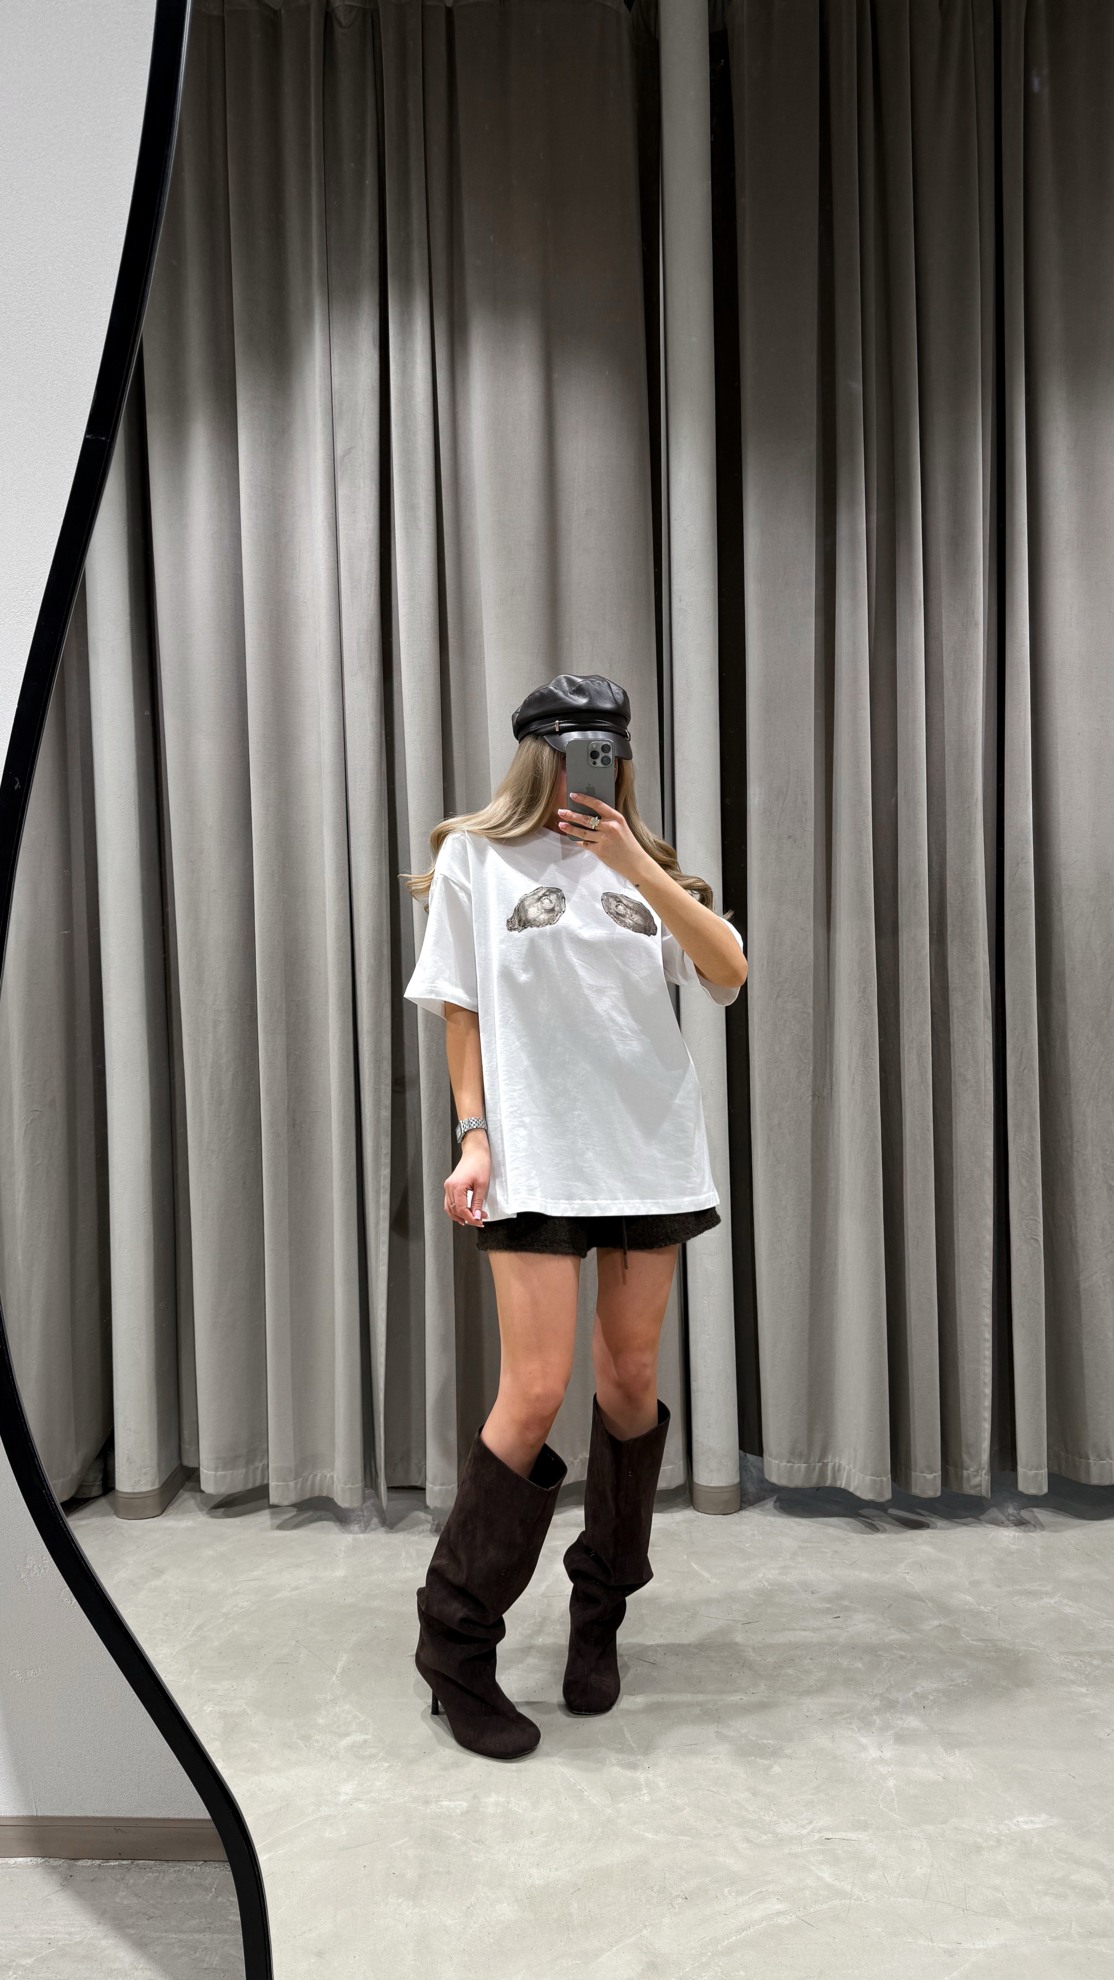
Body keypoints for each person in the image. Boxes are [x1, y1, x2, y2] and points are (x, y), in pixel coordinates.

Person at [401, 674, 747, 1759]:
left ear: (621, 759)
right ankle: (456, 1643)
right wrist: (473, 1135)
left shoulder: (652, 869)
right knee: (536, 1391)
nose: (583, 768)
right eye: (567, 748)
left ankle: (601, 1612)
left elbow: (728, 972)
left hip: (647, 1154)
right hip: (537, 1152)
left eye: (603, 749)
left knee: (630, 1384)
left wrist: (636, 866)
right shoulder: (474, 858)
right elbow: (460, 1009)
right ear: (535, 755)